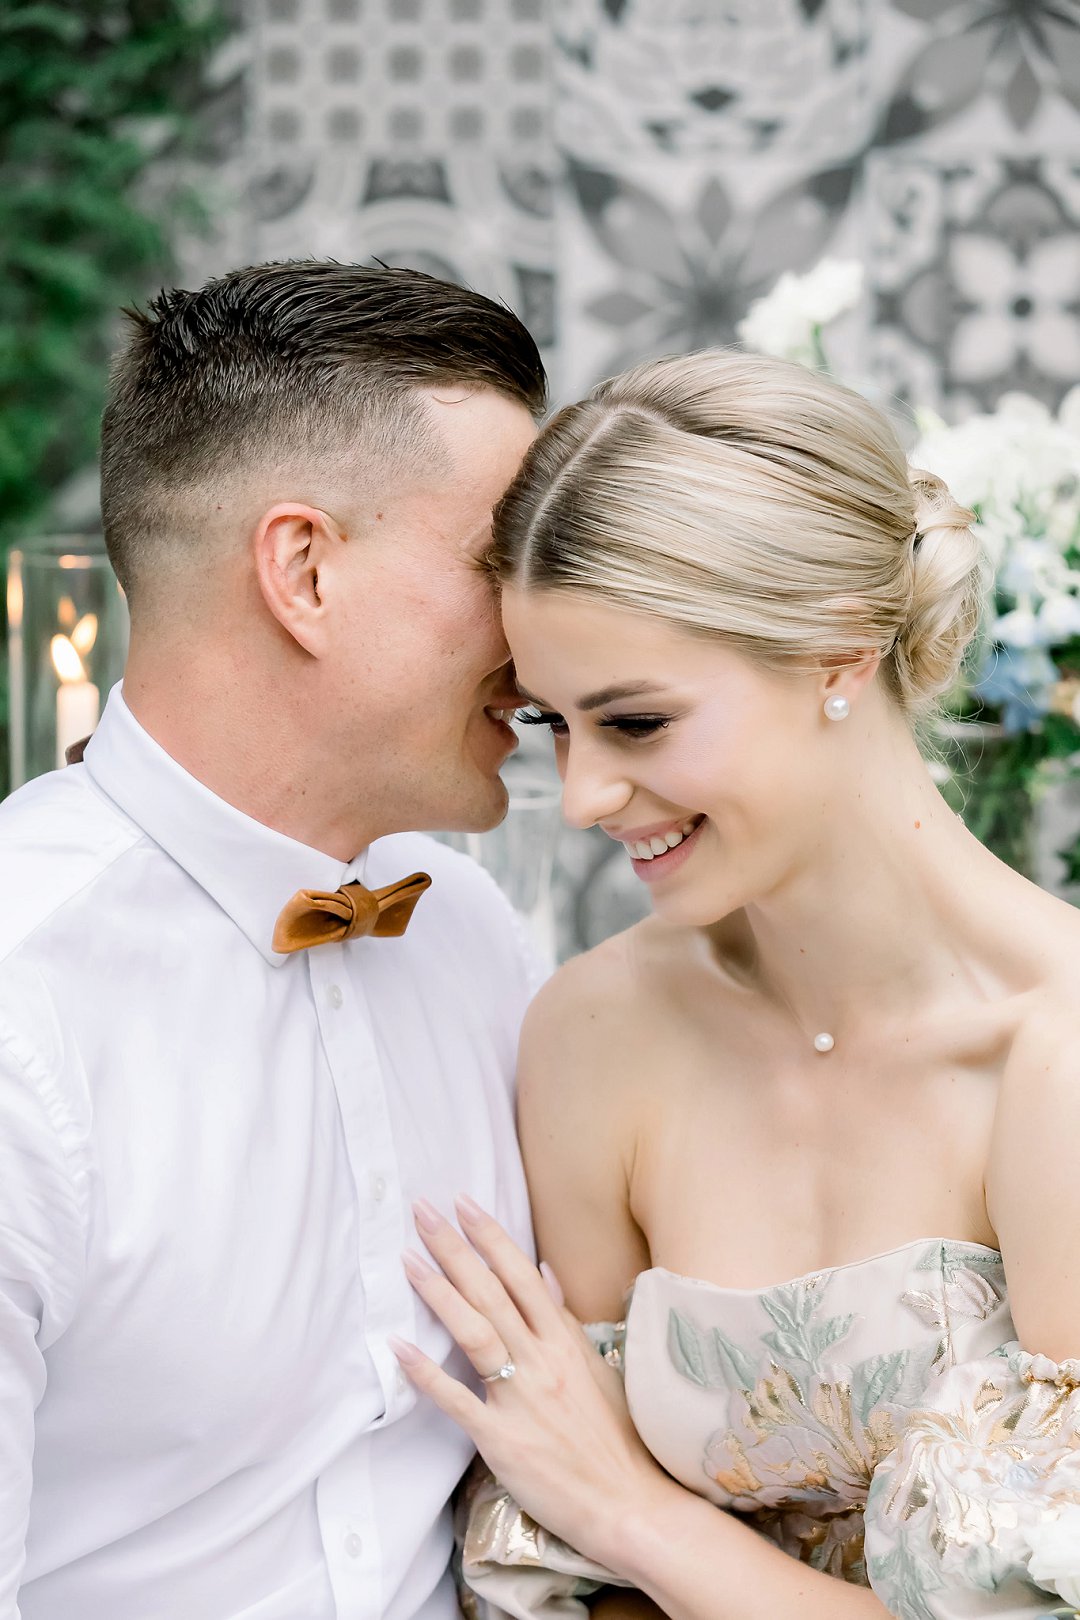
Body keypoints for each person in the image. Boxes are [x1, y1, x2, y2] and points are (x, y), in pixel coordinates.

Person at [392, 351, 1080, 1619]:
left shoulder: (1056, 1052)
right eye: (552, 724)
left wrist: (637, 1517)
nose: (584, 796)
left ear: (838, 653)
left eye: (635, 722)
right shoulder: (598, 1032)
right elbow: (567, 1572)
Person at [0, 261, 549, 1620]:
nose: (547, 626)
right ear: (304, 570)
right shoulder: (23, 999)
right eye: (503, 560)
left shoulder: (477, 937)